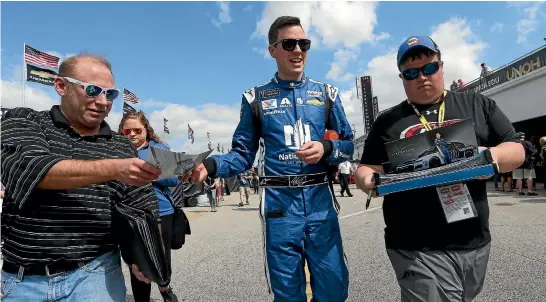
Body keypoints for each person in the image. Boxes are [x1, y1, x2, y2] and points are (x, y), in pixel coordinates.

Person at [187, 16, 353, 302]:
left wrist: (326, 149)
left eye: (304, 44)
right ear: (273, 50)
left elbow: (348, 144)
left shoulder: (327, 93)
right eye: (289, 44)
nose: (298, 50)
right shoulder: (255, 98)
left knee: (335, 289)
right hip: (279, 205)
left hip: (319, 202)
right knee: (288, 295)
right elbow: (241, 155)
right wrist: (211, 165)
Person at [355, 36, 525, 302]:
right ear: (402, 79)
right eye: (411, 73)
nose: (422, 77)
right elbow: (366, 167)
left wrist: (486, 156)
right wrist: (369, 180)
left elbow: (516, 150)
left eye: (429, 68)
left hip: (474, 241)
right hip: (414, 245)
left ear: (441, 66)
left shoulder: (478, 104)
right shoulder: (387, 121)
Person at [0, 53, 161, 301]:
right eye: (93, 90)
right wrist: (114, 168)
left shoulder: (121, 146)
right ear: (62, 86)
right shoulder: (25, 120)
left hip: (95, 273)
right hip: (23, 280)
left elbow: (141, 204)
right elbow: (30, 168)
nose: (103, 101)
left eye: (110, 94)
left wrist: (147, 255)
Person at [118, 111, 180, 302]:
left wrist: (146, 171)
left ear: (146, 129)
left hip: (161, 213)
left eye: (137, 130)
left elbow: (174, 179)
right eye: (127, 131)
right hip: (131, 215)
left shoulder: (159, 149)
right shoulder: (116, 150)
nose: (132, 134)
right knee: (136, 262)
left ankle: (165, 289)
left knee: (161, 258)